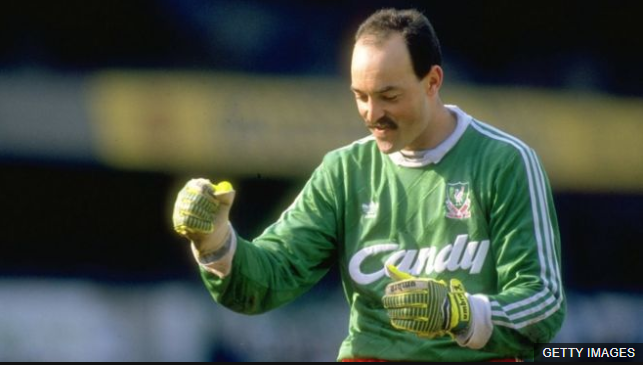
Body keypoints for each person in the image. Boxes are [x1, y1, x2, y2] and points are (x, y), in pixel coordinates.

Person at [172, 8, 565, 362]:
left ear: (432, 82)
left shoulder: (505, 161)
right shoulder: (345, 171)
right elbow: (270, 278)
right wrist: (215, 241)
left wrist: (461, 313)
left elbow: (543, 304)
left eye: (388, 96)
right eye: (360, 96)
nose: (372, 114)